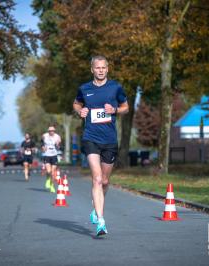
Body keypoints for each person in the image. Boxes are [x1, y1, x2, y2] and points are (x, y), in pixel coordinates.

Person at [73, 55, 129, 236]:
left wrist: (115, 110)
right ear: (92, 69)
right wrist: (80, 110)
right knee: (96, 179)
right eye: (98, 68)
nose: (101, 70)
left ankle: (95, 207)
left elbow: (125, 107)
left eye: (104, 67)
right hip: (90, 137)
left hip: (110, 140)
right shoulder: (85, 88)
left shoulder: (115, 87)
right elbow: (76, 103)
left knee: (104, 181)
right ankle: (101, 221)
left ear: (107, 69)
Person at [41, 126, 61, 193]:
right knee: (48, 171)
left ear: (54, 131)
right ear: (48, 131)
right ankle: (47, 179)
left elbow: (58, 146)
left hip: (54, 155)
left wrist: (58, 145)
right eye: (50, 131)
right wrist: (43, 147)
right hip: (47, 155)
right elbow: (42, 143)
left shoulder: (57, 137)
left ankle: (52, 185)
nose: (51, 132)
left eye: (53, 130)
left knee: (53, 172)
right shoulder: (45, 135)